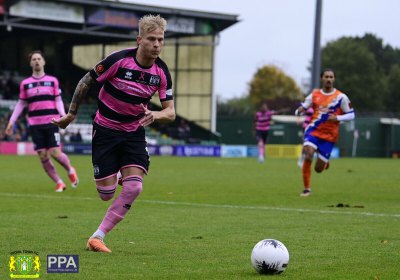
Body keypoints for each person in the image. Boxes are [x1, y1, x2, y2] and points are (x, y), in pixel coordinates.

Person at [52, 14, 175, 253]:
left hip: (134, 132)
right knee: (106, 194)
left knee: (134, 188)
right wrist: (71, 114)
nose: (157, 45)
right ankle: (117, 173)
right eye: (152, 39)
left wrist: (156, 115)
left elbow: (170, 112)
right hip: (105, 130)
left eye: (161, 39)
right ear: (139, 40)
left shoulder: (161, 72)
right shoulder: (118, 60)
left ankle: (97, 237)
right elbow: (85, 81)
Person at [5, 50, 79, 192]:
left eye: (39, 58)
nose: (37, 61)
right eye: (34, 59)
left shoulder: (53, 81)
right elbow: (21, 104)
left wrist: (63, 115)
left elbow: (58, 100)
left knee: (55, 153)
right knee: (42, 155)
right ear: (30, 63)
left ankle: (70, 170)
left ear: (44, 62)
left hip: (51, 122)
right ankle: (59, 182)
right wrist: (11, 121)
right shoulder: (25, 84)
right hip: (35, 124)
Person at [295, 68, 355, 197]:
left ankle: (325, 162)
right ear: (322, 79)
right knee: (308, 153)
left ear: (334, 79)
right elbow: (304, 106)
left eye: (331, 77)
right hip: (313, 130)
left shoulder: (341, 97)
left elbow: (351, 115)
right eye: (326, 77)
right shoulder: (315, 94)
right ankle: (306, 189)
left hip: (329, 136)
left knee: (318, 169)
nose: (329, 79)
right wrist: (299, 110)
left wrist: (337, 118)